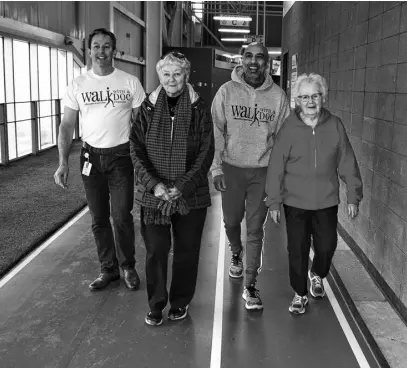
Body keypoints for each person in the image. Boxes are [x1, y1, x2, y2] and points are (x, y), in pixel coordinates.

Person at [54, 28, 145, 291]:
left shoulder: (130, 82)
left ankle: (127, 266)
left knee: (122, 216)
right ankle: (108, 269)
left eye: (106, 46)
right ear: (89, 50)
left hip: (121, 158)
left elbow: (140, 126)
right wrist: (62, 162)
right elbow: (66, 125)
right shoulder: (78, 85)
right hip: (90, 157)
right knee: (98, 218)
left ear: (114, 51)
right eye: (96, 46)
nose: (101, 51)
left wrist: (142, 162)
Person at [265, 73, 363, 315]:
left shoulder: (335, 125)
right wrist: (274, 202)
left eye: (315, 96)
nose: (310, 101)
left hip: (326, 201)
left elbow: (347, 161)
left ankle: (317, 273)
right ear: (297, 100)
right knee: (297, 248)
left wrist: (353, 195)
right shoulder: (289, 127)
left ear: (323, 97)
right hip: (295, 201)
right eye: (305, 97)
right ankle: (299, 293)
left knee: (327, 245)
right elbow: (276, 165)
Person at [129, 51, 214, 326]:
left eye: (177, 73)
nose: (171, 79)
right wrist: (154, 186)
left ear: (186, 75)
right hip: (153, 196)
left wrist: (183, 186)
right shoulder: (148, 108)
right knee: (155, 251)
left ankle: (180, 302)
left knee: (187, 253)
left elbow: (206, 151)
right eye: (166, 74)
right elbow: (136, 148)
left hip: (191, 196)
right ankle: (155, 305)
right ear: (159, 76)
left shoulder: (200, 108)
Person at [211, 42, 290, 310]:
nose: (253, 62)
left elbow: (283, 139)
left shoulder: (278, 97)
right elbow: (215, 132)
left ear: (267, 63)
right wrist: (216, 168)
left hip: (263, 171)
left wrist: (278, 176)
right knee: (232, 220)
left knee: (256, 228)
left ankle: (250, 284)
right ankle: (236, 252)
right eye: (249, 56)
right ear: (241, 60)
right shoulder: (226, 92)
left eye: (260, 57)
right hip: (231, 169)